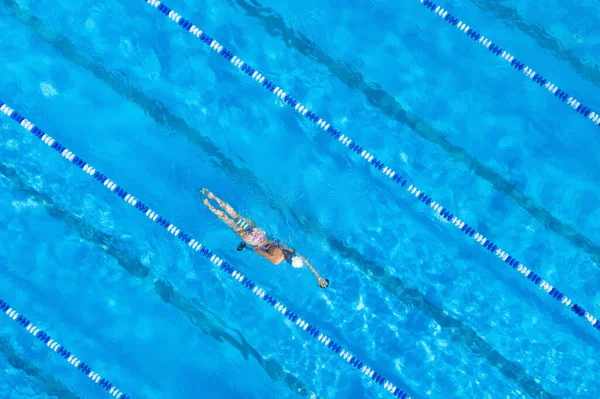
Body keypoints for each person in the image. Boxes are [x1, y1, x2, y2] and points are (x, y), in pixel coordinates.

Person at [200, 188, 329, 289]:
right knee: (227, 220)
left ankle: (212, 196)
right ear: (289, 263)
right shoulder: (277, 260)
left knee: (235, 215)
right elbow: (257, 250)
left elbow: (306, 261)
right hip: (252, 240)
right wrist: (246, 248)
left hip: (259, 233)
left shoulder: (290, 249)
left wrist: (318, 277)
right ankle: (207, 204)